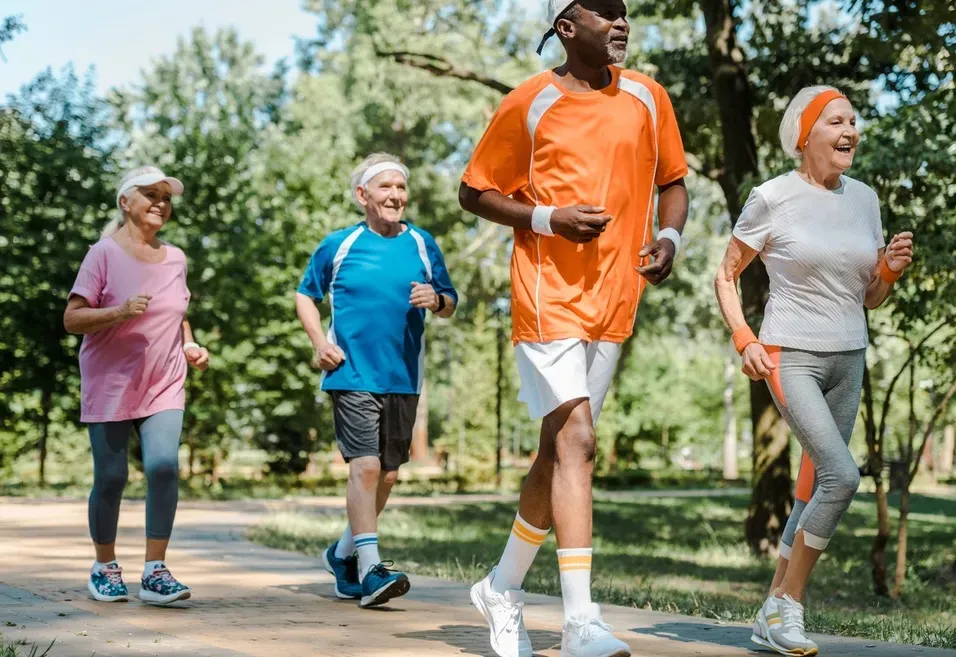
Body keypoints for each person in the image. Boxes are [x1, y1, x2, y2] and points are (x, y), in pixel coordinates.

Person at [458, 1, 689, 655]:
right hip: (545, 295)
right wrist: (547, 219)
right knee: (579, 442)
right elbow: (473, 190)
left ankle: (501, 587)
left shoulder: (648, 97)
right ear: (566, 28)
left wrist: (668, 236)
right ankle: (581, 619)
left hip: (616, 300)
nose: (620, 23)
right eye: (604, 13)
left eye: (624, 13)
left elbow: (673, 181)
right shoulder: (529, 101)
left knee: (560, 454)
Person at [714, 86, 914, 656]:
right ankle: (789, 604)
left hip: (849, 356)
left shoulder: (866, 199)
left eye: (853, 120)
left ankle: (770, 612)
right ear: (805, 134)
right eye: (835, 121)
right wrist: (744, 337)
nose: (850, 130)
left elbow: (870, 297)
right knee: (842, 477)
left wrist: (890, 272)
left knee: (811, 486)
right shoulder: (772, 197)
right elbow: (726, 275)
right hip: (789, 354)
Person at [296, 153, 458, 608]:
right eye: (385, 188)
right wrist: (318, 343)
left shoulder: (423, 244)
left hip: (403, 375)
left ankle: (343, 553)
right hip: (350, 371)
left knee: (387, 474)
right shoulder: (339, 244)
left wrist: (437, 299)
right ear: (362, 196)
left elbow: (450, 299)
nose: (395, 196)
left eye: (401, 188)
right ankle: (371, 569)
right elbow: (305, 295)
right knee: (364, 467)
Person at [64, 166, 210, 606]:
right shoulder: (103, 254)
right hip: (110, 381)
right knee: (111, 478)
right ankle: (105, 566)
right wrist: (119, 312)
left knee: (164, 466)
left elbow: (176, 311)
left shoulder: (177, 258)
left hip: (164, 381)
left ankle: (155, 572)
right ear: (125, 202)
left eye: (166, 196)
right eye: (150, 194)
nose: (161, 203)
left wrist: (190, 343)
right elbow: (72, 318)